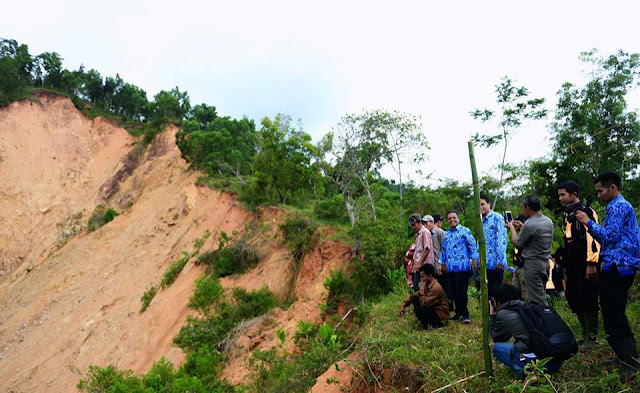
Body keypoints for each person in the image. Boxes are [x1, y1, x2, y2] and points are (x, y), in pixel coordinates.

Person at [576, 172, 640, 382]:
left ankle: (630, 363)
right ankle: (626, 356)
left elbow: (609, 237)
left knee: (613, 314)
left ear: (612, 188)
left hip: (618, 266)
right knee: (615, 311)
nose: (599, 195)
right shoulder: (618, 206)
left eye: (600, 191)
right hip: (619, 265)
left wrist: (588, 222)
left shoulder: (618, 206)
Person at [556, 180, 601, 351]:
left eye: (563, 195)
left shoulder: (587, 211)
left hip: (585, 260)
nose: (560, 198)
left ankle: (593, 336)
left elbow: (594, 238)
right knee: (574, 295)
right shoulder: (567, 214)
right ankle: (584, 333)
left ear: (574, 194)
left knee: (588, 296)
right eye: (559, 195)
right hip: (572, 261)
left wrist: (591, 263)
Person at [490, 284, 565, 380]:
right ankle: (538, 372)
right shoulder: (531, 306)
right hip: (556, 361)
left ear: (498, 301)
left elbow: (497, 337)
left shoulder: (504, 313)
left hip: (537, 363)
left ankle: (529, 374)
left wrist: (492, 315)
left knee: (497, 348)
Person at [505, 195, 553, 306]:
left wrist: (512, 228)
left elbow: (518, 243)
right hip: (545, 263)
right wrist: (522, 227)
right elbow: (536, 235)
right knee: (540, 294)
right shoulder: (548, 221)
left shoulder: (529, 224)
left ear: (528, 208)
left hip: (532, 265)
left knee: (536, 300)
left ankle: (542, 321)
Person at [437, 210, 478, 323]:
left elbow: (473, 246)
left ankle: (465, 314)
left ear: (458, 219)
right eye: (449, 218)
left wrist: (474, 260)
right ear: (447, 221)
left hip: (462, 267)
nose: (452, 220)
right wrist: (441, 263)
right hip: (450, 268)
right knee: (453, 292)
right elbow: (444, 250)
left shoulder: (465, 231)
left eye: (454, 217)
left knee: (461, 291)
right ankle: (458, 312)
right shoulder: (447, 235)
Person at [399, 264, 450, 329]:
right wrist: (404, 305)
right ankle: (427, 323)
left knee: (419, 310)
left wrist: (422, 290)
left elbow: (425, 304)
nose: (421, 279)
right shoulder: (427, 283)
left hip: (440, 314)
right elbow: (414, 295)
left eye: (423, 277)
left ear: (430, 276)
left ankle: (435, 324)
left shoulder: (436, 288)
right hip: (433, 308)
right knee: (415, 299)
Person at [479, 194, 508, 299]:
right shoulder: (480, 220)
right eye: (478, 205)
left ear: (489, 204)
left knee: (497, 292)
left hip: (496, 263)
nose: (481, 207)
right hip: (485, 263)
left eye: (483, 204)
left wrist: (500, 259)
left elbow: (502, 239)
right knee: (487, 292)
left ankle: (497, 313)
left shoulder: (497, 217)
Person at [408, 214, 434, 292]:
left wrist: (419, 263)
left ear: (419, 222)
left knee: (422, 289)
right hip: (419, 266)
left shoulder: (425, 232)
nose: (413, 227)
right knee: (417, 288)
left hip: (424, 266)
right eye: (411, 225)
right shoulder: (419, 233)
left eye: (414, 225)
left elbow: (427, 248)